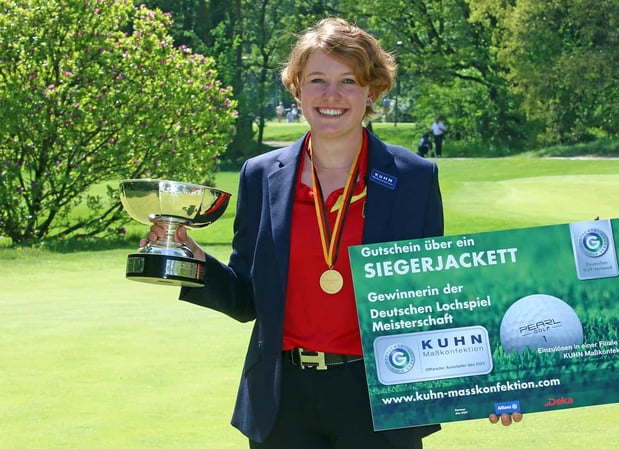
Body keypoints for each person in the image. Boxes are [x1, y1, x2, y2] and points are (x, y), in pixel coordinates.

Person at [144, 17, 520, 449]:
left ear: (371, 91)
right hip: (283, 401)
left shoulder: (414, 177)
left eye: (348, 81)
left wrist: (497, 380)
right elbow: (247, 299)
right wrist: (190, 259)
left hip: (381, 394)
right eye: (317, 80)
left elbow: (433, 300)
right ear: (297, 88)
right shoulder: (260, 175)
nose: (331, 95)